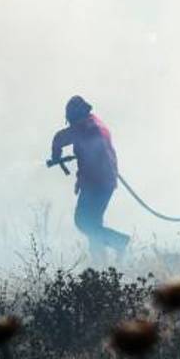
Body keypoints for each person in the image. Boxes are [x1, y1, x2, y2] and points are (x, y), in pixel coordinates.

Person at [50, 95, 130, 260]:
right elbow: (90, 157)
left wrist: (56, 155)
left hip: (96, 183)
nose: (70, 123)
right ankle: (100, 265)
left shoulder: (86, 127)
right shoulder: (95, 123)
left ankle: (118, 241)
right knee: (94, 225)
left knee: (83, 222)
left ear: (74, 116)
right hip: (105, 182)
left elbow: (59, 139)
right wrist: (81, 179)